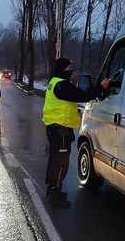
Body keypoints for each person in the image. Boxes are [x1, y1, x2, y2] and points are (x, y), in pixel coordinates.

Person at [42, 57, 95, 208]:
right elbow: (84, 96)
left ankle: (52, 189)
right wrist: (100, 88)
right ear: (63, 69)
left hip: (55, 128)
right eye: (69, 68)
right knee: (61, 162)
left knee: (54, 159)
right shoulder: (63, 85)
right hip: (61, 130)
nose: (71, 70)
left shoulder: (54, 82)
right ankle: (55, 194)